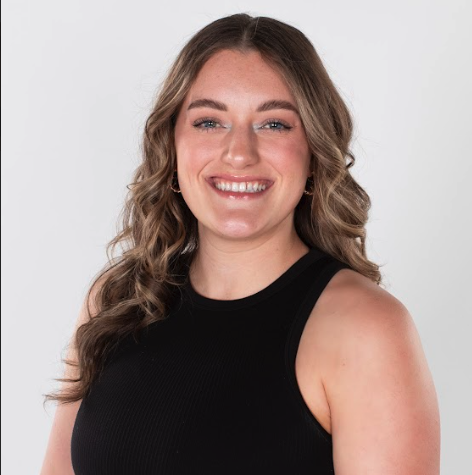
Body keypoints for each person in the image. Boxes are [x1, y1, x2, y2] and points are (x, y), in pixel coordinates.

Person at [40, 13, 440, 475]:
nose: (239, 153)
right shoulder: (116, 300)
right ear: (171, 147)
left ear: (314, 152)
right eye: (210, 121)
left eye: (274, 124)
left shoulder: (366, 328)